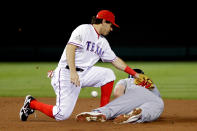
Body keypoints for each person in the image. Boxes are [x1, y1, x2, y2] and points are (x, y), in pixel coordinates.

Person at [19, 10, 149, 121]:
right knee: (61, 115)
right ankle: (31, 103)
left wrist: (135, 74)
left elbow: (115, 61)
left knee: (108, 74)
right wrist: (73, 72)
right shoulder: (84, 29)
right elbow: (70, 48)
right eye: (110, 25)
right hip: (67, 73)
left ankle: (102, 113)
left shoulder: (103, 42)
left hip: (84, 74)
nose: (111, 28)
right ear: (103, 21)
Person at [76, 69, 164, 124]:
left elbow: (117, 93)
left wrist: (124, 106)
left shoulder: (127, 80)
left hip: (135, 95)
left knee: (114, 108)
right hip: (156, 100)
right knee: (152, 108)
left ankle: (101, 113)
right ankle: (138, 115)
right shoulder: (149, 83)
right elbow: (156, 97)